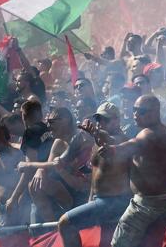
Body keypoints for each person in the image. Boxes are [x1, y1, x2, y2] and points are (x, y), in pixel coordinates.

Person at [103, 95, 166, 247]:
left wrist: (110, 149)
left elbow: (128, 147)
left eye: (141, 111)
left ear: (156, 112)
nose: (135, 114)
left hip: (147, 204)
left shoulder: (148, 134)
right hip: (161, 200)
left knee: (119, 244)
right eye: (134, 110)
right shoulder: (165, 132)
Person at [58, 103, 131, 247]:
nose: (101, 123)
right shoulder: (97, 142)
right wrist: (90, 200)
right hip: (101, 201)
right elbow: (95, 174)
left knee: (65, 223)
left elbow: (111, 141)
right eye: (98, 119)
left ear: (117, 120)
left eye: (105, 119)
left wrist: (96, 134)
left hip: (115, 201)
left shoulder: (122, 140)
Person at [29, 108, 93, 222]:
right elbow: (50, 165)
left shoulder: (85, 141)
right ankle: (53, 227)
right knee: (35, 185)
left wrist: (28, 165)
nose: (48, 126)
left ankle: (69, 210)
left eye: (51, 122)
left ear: (65, 120)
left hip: (84, 193)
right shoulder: (58, 143)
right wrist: (40, 170)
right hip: (69, 190)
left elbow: (83, 184)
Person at [0, 123, 27, 232]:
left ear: (1, 135)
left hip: (24, 208)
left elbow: (28, 179)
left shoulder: (21, 152)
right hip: (2, 212)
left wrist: (16, 202)